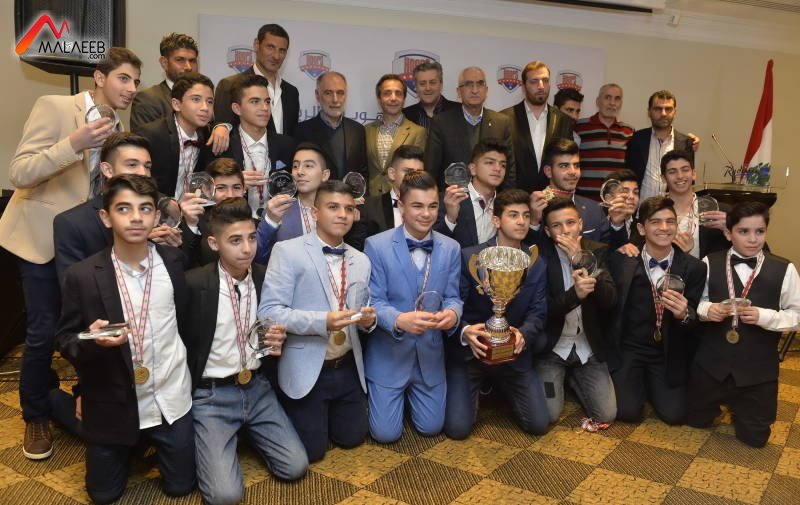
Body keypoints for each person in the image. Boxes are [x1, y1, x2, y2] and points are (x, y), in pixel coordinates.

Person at [0, 47, 141, 460]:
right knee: (43, 331)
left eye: (136, 81)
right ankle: (35, 416)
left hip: (85, 241)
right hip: (40, 239)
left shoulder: (118, 125)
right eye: (124, 78)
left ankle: (84, 399)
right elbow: (20, 172)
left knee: (87, 326)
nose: (131, 88)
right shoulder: (55, 106)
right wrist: (72, 144)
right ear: (99, 77)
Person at [57, 174, 195, 503]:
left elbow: (185, 321)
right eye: (123, 209)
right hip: (114, 402)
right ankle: (56, 404)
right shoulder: (83, 275)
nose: (135, 217)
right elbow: (65, 339)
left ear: (157, 217)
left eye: (145, 208)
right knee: (103, 495)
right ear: (106, 217)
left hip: (169, 399)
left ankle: (146, 440)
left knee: (181, 487)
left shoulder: (174, 261)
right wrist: (92, 341)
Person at [182, 198, 308, 504]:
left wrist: (280, 337)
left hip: (257, 387)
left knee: (295, 466)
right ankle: (225, 435)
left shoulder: (266, 277)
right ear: (214, 243)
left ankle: (243, 432)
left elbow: (276, 324)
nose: (247, 248)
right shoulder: (194, 284)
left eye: (252, 238)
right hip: (212, 395)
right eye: (235, 241)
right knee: (225, 496)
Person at [259, 180, 376, 462]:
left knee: (352, 438)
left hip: (347, 365)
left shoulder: (361, 260)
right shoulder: (287, 251)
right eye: (333, 207)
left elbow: (364, 309)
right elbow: (270, 312)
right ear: (315, 213)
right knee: (312, 453)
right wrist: (323, 321)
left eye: (348, 209)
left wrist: (368, 322)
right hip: (308, 366)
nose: (342, 215)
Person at [689, 201, 800, 447]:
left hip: (756, 369)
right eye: (743, 231)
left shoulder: (784, 269)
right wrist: (708, 310)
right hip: (712, 365)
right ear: (728, 234)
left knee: (755, 439)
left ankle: (742, 406)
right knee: (696, 421)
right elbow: (696, 303)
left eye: (760, 231)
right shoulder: (709, 262)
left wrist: (766, 317)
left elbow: (797, 314)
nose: (753, 239)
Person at [364, 170, 463, 443]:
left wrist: (452, 314)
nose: (426, 214)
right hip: (389, 355)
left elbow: (454, 297)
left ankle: (410, 400)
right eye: (417, 206)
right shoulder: (376, 246)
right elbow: (374, 301)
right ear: (401, 206)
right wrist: (398, 320)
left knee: (431, 428)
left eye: (433, 206)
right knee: (386, 434)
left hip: (429, 357)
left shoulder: (451, 248)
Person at [445, 189, 550, 439]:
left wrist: (524, 335)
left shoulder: (536, 262)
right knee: (457, 429)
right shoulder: (471, 257)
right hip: (473, 352)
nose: (521, 221)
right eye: (513, 215)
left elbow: (538, 311)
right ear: (496, 220)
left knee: (538, 425)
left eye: (526, 215)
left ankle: (501, 387)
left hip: (513, 354)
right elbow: (453, 303)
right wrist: (465, 331)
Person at [607, 196, 706, 425]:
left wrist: (684, 314)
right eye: (655, 222)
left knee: (675, 415)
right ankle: (637, 383)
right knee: (627, 413)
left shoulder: (695, 268)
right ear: (641, 228)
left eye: (670, 222)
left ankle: (651, 385)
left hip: (667, 351)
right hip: (630, 348)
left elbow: (695, 322)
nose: (664, 228)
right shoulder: (623, 260)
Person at [53, 133, 183, 284]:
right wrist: (139, 243)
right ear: (107, 170)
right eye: (132, 165)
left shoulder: (158, 211)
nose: (143, 173)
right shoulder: (73, 223)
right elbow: (74, 289)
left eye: (147, 166)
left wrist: (168, 249)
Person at [535, 198, 617, 431]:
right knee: (549, 413)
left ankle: (574, 378)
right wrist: (575, 295)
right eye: (556, 225)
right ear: (547, 231)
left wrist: (581, 260)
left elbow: (610, 300)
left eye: (570, 223)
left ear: (580, 224)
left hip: (587, 347)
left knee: (607, 414)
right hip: (553, 348)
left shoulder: (597, 250)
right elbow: (543, 310)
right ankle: (561, 379)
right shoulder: (539, 256)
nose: (565, 230)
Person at [131, 33, 231, 154]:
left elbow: (208, 133)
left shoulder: (206, 96)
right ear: (164, 62)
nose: (188, 67)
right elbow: (143, 147)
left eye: (192, 61)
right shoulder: (148, 99)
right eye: (180, 60)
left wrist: (221, 126)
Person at [218, 73, 295, 217]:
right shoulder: (222, 146)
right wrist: (235, 185)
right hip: (233, 220)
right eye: (255, 101)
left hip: (278, 221)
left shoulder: (286, 145)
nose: (265, 108)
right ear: (237, 108)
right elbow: (210, 192)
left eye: (267, 101)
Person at [424, 66, 513, 188]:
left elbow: (509, 171)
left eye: (480, 84)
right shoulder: (441, 123)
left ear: (486, 90)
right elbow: (431, 170)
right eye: (469, 84)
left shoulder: (502, 123)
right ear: (458, 92)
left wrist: (505, 199)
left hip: (491, 197)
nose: (475, 90)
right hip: (453, 196)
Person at [134, 72, 216, 199]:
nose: (205, 107)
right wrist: (166, 204)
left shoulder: (208, 136)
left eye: (210, 101)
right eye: (196, 99)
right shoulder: (151, 135)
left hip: (192, 207)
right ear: (176, 104)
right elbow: (136, 181)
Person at [501, 61, 574, 192]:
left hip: (553, 197)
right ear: (524, 87)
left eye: (545, 81)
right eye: (534, 81)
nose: (541, 86)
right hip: (516, 198)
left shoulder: (564, 121)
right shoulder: (505, 118)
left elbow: (567, 161)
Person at [214, 24, 300, 136]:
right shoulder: (229, 85)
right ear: (256, 44)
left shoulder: (291, 92)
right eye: (270, 47)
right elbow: (222, 135)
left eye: (282, 50)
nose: (276, 56)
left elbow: (292, 137)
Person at [254, 143, 329, 264]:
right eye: (295, 166)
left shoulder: (337, 210)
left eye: (308, 166)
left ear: (325, 175)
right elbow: (258, 257)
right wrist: (271, 221)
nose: (300, 172)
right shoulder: (277, 211)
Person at [529, 139, 610, 244]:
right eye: (564, 166)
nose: (573, 172)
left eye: (576, 165)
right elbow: (525, 250)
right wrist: (534, 222)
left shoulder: (595, 209)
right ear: (548, 171)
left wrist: (617, 225)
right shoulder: (533, 208)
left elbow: (608, 250)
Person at [435, 139, 509, 248]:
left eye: (503, 165)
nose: (498, 169)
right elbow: (431, 242)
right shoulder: (450, 199)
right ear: (473, 169)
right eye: (490, 162)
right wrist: (450, 218)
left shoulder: (505, 204)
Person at [294, 71, 367, 181]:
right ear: (317, 95)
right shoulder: (302, 131)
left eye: (340, 93)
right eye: (328, 93)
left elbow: (363, 172)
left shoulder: (358, 130)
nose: (335, 99)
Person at [626, 91, 698, 202]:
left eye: (668, 109)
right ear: (649, 112)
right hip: (640, 209)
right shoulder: (636, 139)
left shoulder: (686, 143)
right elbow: (628, 175)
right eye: (658, 109)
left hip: (672, 209)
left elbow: (689, 182)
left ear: (675, 112)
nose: (663, 113)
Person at [659, 150, 729, 259]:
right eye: (672, 172)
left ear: (694, 174)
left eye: (685, 170)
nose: (680, 176)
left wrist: (733, 229)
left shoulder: (718, 211)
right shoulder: (653, 212)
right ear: (663, 178)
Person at [180, 157, 248, 267]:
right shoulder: (195, 223)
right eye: (221, 188)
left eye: (236, 187)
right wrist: (191, 225)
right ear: (207, 190)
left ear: (244, 189)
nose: (230, 195)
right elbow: (187, 264)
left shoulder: (256, 224)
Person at [365, 74, 426, 195]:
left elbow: (418, 173)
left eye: (398, 93)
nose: (393, 98)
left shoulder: (418, 132)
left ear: (404, 99)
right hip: (372, 198)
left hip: (403, 197)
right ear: (379, 99)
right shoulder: (366, 130)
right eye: (387, 93)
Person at [574, 83, 634, 199]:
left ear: (621, 104)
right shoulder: (579, 127)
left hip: (615, 201)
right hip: (585, 200)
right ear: (598, 101)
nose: (612, 103)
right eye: (607, 97)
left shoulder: (629, 131)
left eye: (617, 99)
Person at [359, 145, 424, 238]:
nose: (415, 177)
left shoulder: (431, 208)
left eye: (419, 173)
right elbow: (358, 245)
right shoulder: (369, 208)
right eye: (408, 172)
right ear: (392, 174)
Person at [402, 61, 459, 130]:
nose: (428, 88)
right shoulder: (404, 115)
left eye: (432, 82)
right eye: (422, 83)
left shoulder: (459, 111)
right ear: (416, 87)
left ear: (441, 84)